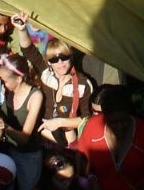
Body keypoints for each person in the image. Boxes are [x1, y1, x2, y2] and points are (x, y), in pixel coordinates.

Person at [13, 12, 92, 145]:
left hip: (67, 143)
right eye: (54, 59)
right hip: (41, 138)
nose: (60, 62)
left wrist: (60, 122)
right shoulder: (46, 73)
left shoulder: (83, 84)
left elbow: (88, 119)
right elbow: (29, 51)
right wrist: (22, 29)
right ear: (48, 62)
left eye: (64, 57)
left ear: (70, 57)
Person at [75, 85, 144, 190]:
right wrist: (88, 179)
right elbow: (82, 156)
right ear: (104, 117)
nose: (119, 127)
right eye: (113, 122)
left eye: (124, 121)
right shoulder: (92, 126)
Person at [0, 53, 44, 190]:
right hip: (8, 151)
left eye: (4, 80)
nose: (1, 83)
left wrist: (5, 127)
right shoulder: (4, 92)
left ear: (19, 79)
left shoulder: (35, 96)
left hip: (28, 155)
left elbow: (24, 138)